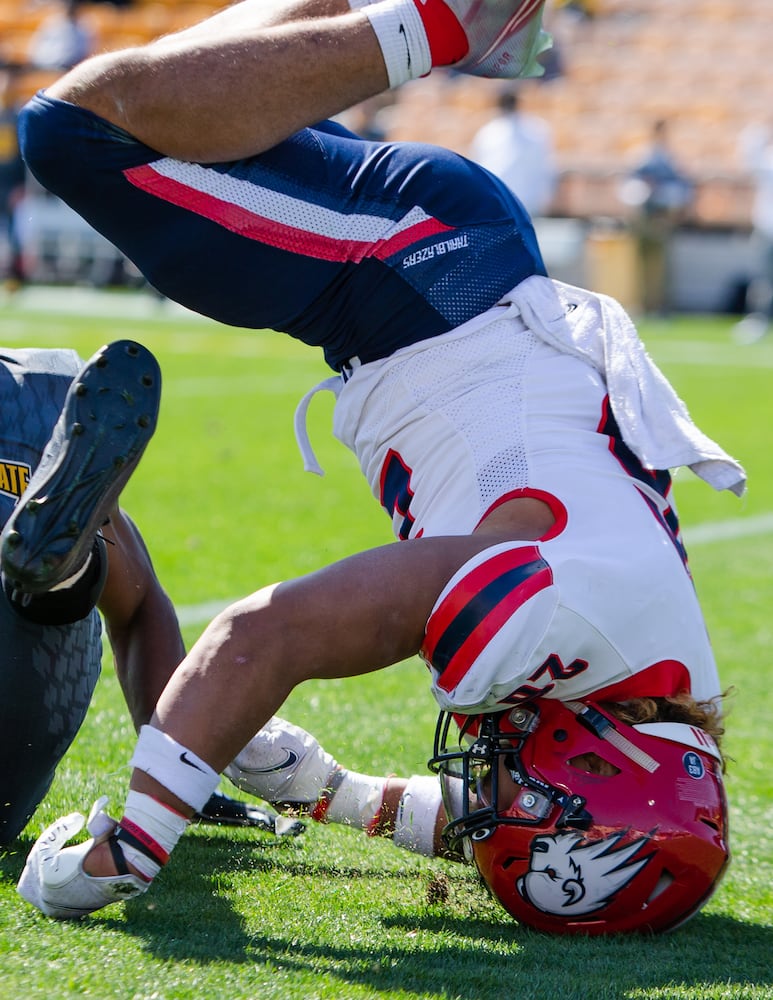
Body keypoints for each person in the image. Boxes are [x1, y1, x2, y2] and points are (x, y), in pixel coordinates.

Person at [7, 0, 744, 934]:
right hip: (409, 274)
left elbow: (502, 822)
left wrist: (333, 789)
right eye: (520, 795)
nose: (492, 796)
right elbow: (262, 636)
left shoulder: (640, 684)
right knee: (76, 132)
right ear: (591, 762)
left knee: (182, 103)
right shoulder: (546, 623)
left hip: (436, 285)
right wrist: (136, 844)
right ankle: (451, 21)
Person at [0, 341, 285, 844]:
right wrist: (177, 776)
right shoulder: (40, 390)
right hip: (17, 750)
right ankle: (63, 576)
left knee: (58, 554)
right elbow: (139, 605)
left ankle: (60, 572)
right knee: (70, 565)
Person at [619, 119, 693, 317]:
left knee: (662, 263)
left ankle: (661, 304)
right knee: (640, 261)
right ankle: (641, 304)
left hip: (663, 215)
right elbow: (631, 187)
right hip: (644, 215)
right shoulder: (642, 156)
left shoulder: (670, 159)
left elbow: (681, 189)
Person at [468, 86, 557, 218]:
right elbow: (547, 166)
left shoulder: (488, 131)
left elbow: (477, 168)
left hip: (502, 199)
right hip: (524, 201)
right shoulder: (537, 128)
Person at [732, 122, 773, 343]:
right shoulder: (767, 159)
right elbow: (750, 156)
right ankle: (758, 319)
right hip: (768, 227)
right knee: (763, 279)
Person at [0, 69, 26, 290]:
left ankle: (14, 276)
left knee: (13, 231)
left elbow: (21, 158)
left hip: (10, 184)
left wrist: (20, 186)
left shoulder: (16, 118)